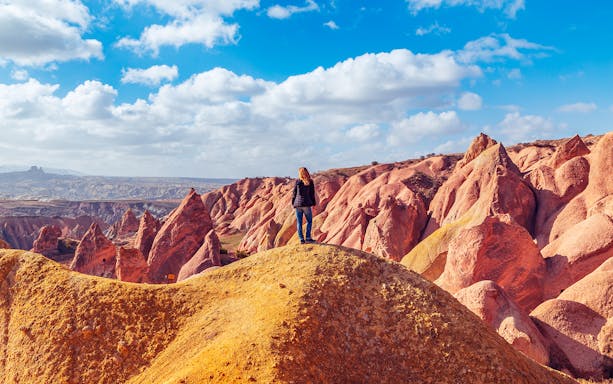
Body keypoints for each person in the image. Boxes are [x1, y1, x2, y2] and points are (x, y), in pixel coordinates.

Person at [291, 167, 316, 244]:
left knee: (299, 222)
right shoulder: (310, 182)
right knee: (309, 221)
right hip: (306, 204)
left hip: (298, 205)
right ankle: (308, 238)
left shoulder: (297, 181)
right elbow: (312, 194)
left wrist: (293, 203)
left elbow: (294, 193)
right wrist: (313, 203)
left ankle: (301, 239)